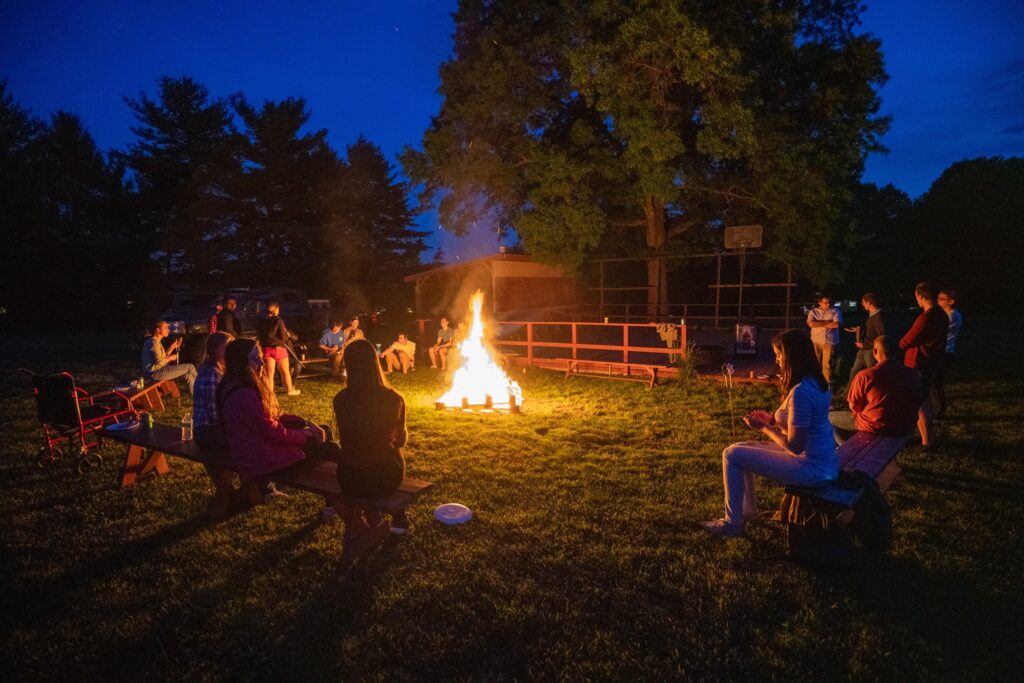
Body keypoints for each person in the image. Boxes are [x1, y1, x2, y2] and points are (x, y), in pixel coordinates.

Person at [702, 330, 837, 537]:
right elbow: (802, 424)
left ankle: (732, 524)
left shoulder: (801, 391)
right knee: (740, 448)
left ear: (792, 356)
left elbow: (795, 445)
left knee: (731, 455)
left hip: (810, 468)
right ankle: (748, 513)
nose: (776, 359)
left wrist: (764, 428)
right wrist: (772, 420)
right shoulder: (817, 383)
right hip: (821, 461)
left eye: (779, 354)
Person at [217, 338, 338, 480]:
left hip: (261, 447)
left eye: (261, 358)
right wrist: (304, 435)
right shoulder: (243, 394)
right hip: (258, 458)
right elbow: (272, 430)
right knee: (331, 448)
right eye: (255, 359)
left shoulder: (238, 384)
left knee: (324, 430)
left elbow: (275, 416)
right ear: (241, 363)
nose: (262, 363)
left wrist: (306, 423)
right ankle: (338, 494)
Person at [332, 339, 409, 534]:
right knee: (394, 450)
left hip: (349, 479)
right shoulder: (393, 398)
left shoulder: (341, 399)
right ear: (375, 362)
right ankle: (399, 517)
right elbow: (400, 440)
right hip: (382, 479)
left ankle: (374, 517)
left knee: (366, 452)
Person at [828, 336, 921, 444]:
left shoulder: (866, 376)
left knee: (828, 417)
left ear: (875, 351)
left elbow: (854, 406)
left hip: (877, 426)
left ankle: (847, 450)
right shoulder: (912, 374)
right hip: (905, 427)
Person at [899, 281, 949, 453]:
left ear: (920, 296)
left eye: (916, 296)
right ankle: (924, 437)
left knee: (919, 403)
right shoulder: (941, 314)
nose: (916, 299)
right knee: (921, 401)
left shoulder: (926, 317)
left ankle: (927, 442)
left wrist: (901, 343)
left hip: (919, 363)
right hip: (929, 361)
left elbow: (908, 340)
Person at [193, 332, 231, 450]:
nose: (231, 350)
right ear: (216, 349)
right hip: (207, 430)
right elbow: (213, 411)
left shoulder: (220, 370)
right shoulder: (212, 373)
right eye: (227, 346)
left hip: (212, 428)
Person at [141, 320, 198, 394]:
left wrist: (173, 346)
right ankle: (203, 385)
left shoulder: (155, 341)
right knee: (190, 367)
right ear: (158, 330)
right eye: (165, 328)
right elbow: (160, 361)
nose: (168, 330)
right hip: (155, 373)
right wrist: (171, 358)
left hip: (158, 370)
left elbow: (163, 357)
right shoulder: (153, 342)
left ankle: (195, 393)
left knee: (188, 375)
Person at [257, 300, 300, 396]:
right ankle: (290, 390)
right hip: (279, 348)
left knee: (270, 373)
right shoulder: (279, 321)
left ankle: (270, 393)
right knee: (285, 371)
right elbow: (283, 337)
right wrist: (287, 335)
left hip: (268, 349)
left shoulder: (262, 321)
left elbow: (260, 335)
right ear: (276, 310)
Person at [844, 292, 886, 388]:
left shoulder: (878, 317)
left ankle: (876, 391)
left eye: (863, 302)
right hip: (864, 348)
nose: (862, 305)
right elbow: (872, 331)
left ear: (869, 303)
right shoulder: (872, 315)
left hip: (870, 350)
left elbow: (881, 337)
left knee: (873, 372)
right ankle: (848, 393)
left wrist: (866, 345)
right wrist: (859, 331)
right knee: (854, 370)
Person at [932, 288, 962, 417]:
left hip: (945, 353)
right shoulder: (947, 315)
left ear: (951, 301)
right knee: (935, 382)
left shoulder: (951, 317)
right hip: (943, 352)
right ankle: (937, 408)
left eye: (941, 299)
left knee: (936, 382)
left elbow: (934, 332)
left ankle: (939, 411)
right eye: (937, 298)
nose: (938, 301)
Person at [806, 295, 842, 386]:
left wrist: (818, 323)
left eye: (829, 302)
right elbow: (811, 324)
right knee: (815, 362)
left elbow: (836, 325)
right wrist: (828, 322)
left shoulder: (835, 311)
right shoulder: (813, 312)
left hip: (830, 341)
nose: (828, 304)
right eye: (826, 302)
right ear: (820, 302)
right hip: (816, 341)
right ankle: (815, 382)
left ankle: (826, 384)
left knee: (827, 365)